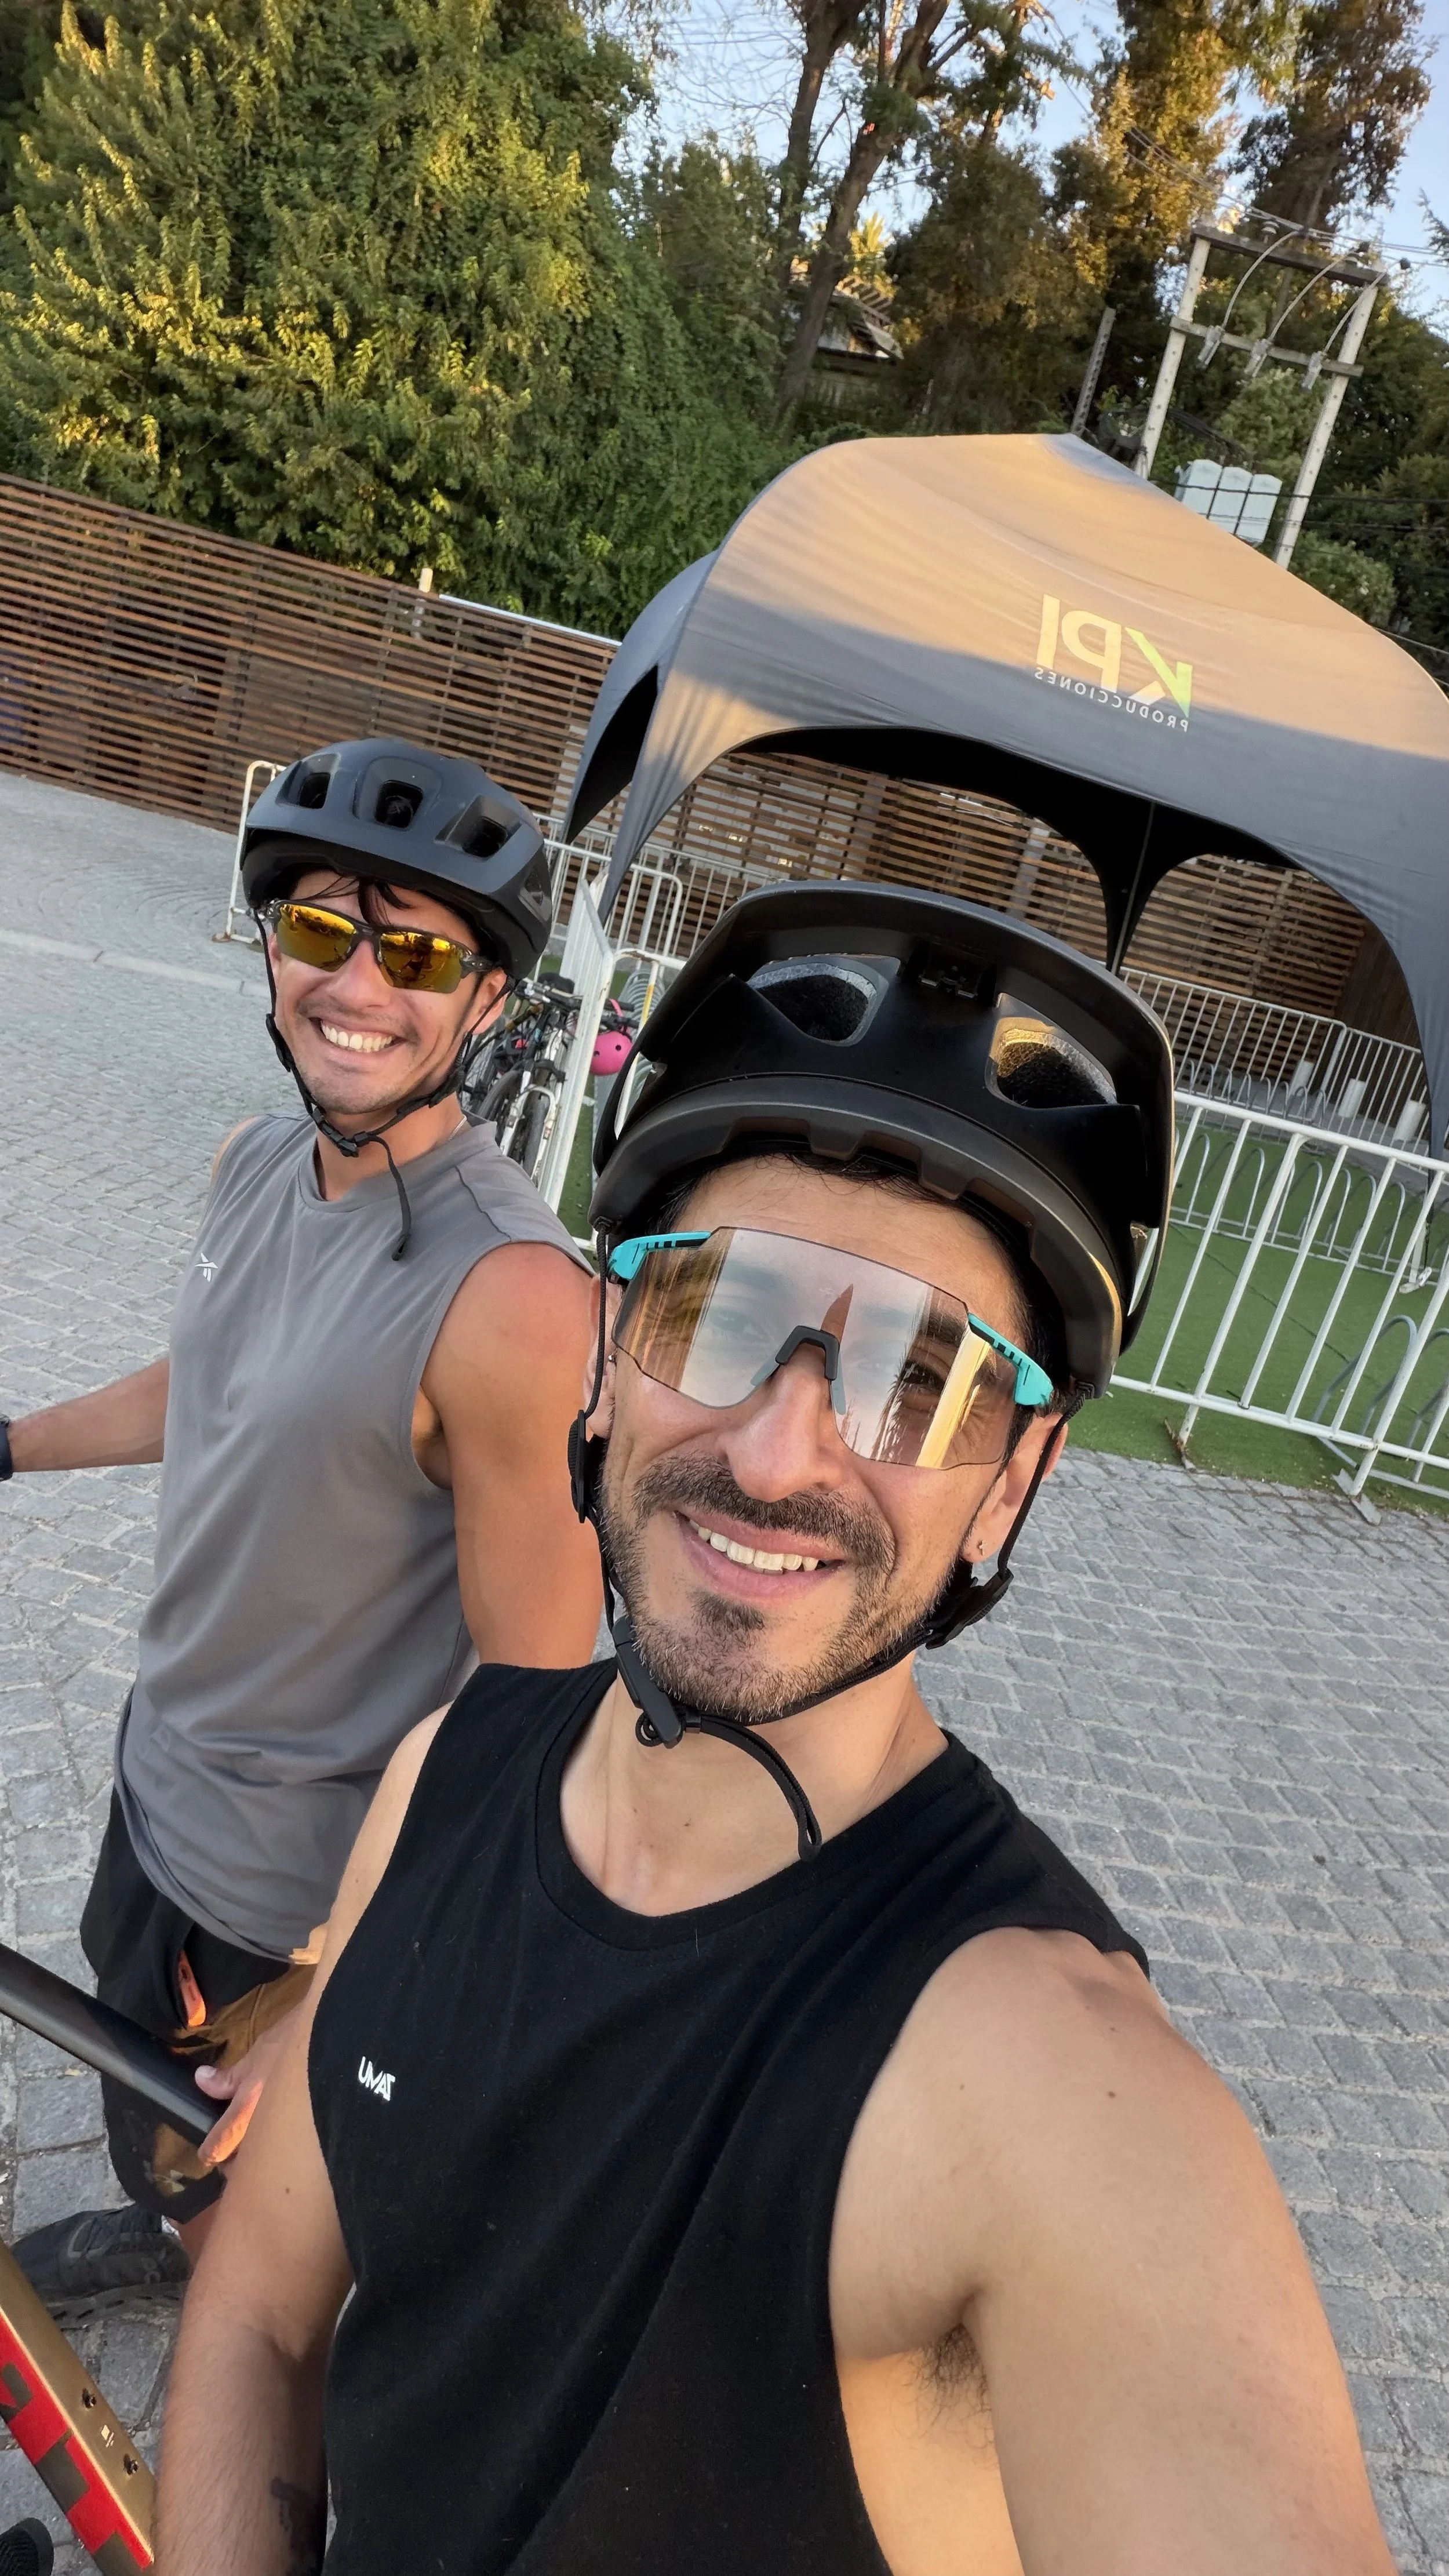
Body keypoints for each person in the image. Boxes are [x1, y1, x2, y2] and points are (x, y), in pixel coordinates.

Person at [156, 885, 1393, 2576]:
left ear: (1010, 1483)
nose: (776, 1450)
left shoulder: (1057, 2083)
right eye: (716, 1312)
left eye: (920, 1380)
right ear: (610, 1354)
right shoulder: (451, 1770)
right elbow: (257, 2314)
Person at [2, 737, 601, 2314]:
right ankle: (162, 2224)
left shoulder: (516, 1300)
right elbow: (212, 1380)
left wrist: (341, 1978)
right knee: (151, 2126)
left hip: (284, 1890)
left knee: (247, 2242)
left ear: (489, 1000)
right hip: (161, 1777)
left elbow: (535, 1706)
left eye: (419, 953)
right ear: (271, 949)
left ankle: (225, 2357)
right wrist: (5, 1448)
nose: (358, 984)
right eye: (322, 928)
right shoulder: (258, 1159)